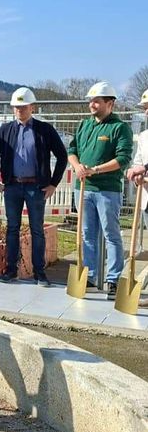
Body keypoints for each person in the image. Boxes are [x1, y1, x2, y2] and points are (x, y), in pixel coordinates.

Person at [0, 88, 68, 287]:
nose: (19, 111)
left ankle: (39, 273)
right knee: (12, 228)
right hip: (13, 186)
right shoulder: (5, 130)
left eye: (23, 107)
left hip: (36, 187)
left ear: (32, 107)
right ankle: (11, 271)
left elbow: (62, 156)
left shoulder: (44, 130)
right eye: (16, 107)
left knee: (37, 230)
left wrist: (53, 183)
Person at [67, 81, 133, 299]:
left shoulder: (119, 128)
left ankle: (113, 280)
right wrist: (77, 166)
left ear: (110, 103)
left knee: (111, 234)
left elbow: (123, 159)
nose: (92, 104)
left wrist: (95, 169)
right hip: (83, 188)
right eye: (90, 101)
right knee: (87, 234)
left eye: (96, 101)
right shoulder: (84, 125)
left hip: (107, 190)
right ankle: (91, 277)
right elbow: (72, 149)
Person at [126, 89, 148, 252]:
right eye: (145, 108)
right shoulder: (144, 136)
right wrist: (136, 174)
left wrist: (144, 168)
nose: (146, 112)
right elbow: (138, 161)